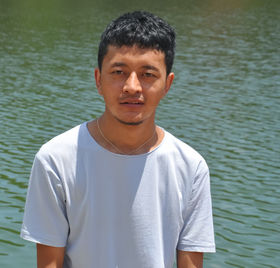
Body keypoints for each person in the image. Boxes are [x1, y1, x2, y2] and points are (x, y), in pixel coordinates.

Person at [21, 11, 215, 268]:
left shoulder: (191, 167)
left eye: (148, 75)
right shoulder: (56, 159)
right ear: (98, 79)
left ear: (167, 84)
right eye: (119, 72)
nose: (132, 87)